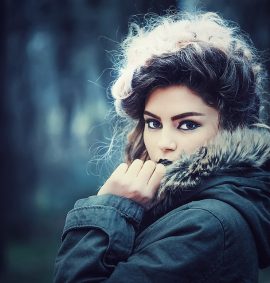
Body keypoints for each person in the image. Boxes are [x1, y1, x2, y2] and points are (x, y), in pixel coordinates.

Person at [54, 11, 270, 282]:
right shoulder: (177, 204)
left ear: (231, 128)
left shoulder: (206, 224)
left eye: (188, 124)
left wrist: (109, 208)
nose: (164, 144)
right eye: (153, 124)